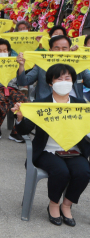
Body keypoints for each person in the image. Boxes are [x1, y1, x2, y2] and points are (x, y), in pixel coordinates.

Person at [13, 64, 90, 227]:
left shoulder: (81, 104)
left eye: (67, 78)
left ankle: (66, 205)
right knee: (61, 172)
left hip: (74, 150)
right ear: (50, 83)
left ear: (73, 81)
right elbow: (24, 130)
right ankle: (54, 204)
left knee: (84, 171)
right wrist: (20, 117)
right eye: (59, 78)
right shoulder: (41, 103)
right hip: (47, 151)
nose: (63, 81)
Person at [17, 35, 90, 100]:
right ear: (50, 50)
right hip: (47, 107)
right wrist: (21, 65)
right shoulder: (41, 66)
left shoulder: (78, 64)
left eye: (64, 48)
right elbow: (23, 82)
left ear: (69, 50)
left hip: (74, 107)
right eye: (57, 48)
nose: (60, 51)